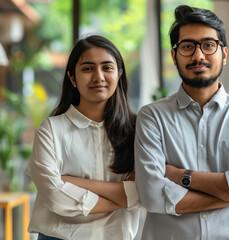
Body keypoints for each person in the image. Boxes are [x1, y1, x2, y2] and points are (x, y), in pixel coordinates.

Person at [134, 5, 229, 239]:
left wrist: (180, 175)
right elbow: (152, 196)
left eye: (209, 45)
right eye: (188, 47)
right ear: (174, 56)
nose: (198, 55)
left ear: (224, 54)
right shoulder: (152, 117)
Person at [26, 35, 141, 240]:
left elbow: (145, 191)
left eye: (107, 67)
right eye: (87, 68)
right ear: (72, 78)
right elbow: (55, 197)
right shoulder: (51, 130)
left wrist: (74, 183)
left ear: (119, 74)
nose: (98, 77)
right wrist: (123, 198)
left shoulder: (138, 130)